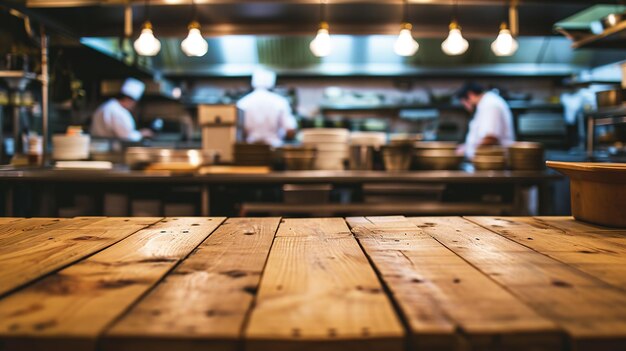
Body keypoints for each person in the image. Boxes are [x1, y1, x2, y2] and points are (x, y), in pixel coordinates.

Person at [236, 69, 297, 147]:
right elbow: (290, 130)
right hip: (274, 149)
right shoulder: (280, 102)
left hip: (250, 150)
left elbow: (239, 131)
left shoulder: (242, 103)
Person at [456, 82, 515, 158]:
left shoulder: (490, 104)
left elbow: (490, 138)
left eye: (464, 103)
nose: (466, 108)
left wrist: (469, 151)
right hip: (487, 160)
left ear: (470, 95)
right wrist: (466, 147)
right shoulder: (484, 104)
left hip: (494, 163)